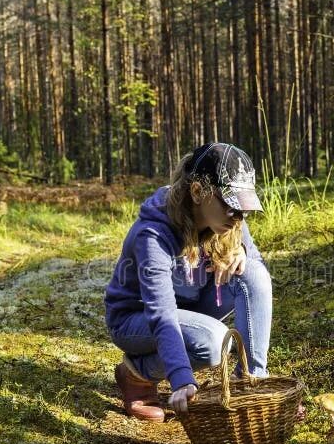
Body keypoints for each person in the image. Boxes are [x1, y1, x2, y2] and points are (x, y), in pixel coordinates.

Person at [104, 143, 272, 422]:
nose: (239, 216)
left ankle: (250, 386)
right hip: (137, 319)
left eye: (244, 206)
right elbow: (161, 312)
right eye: (232, 205)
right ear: (197, 192)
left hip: (192, 308)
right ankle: (138, 374)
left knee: (252, 272)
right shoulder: (154, 234)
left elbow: (256, 281)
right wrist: (182, 377)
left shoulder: (228, 221)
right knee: (213, 341)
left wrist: (242, 252)